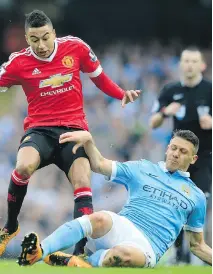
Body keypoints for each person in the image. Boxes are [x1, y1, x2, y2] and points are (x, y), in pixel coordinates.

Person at [0, 10, 140, 256]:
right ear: (26, 38)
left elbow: (99, 78)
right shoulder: (18, 62)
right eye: (34, 40)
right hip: (39, 129)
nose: (41, 45)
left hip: (74, 129)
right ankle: (10, 226)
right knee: (22, 168)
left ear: (54, 33)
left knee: (82, 182)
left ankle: (80, 250)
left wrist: (121, 93)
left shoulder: (76, 48)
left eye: (45, 37)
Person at [17, 129, 212, 268]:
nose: (176, 154)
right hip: (124, 224)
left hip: (148, 246)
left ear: (193, 159)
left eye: (183, 151)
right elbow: (100, 164)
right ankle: (39, 251)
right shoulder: (143, 168)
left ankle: (80, 261)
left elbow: (197, 245)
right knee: (100, 217)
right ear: (167, 148)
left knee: (121, 256)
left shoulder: (196, 196)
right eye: (174, 148)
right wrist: (88, 141)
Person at [149, 46, 212, 263]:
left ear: (202, 65)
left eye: (194, 61)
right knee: (175, 203)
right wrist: (166, 113)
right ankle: (179, 254)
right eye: (186, 61)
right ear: (180, 64)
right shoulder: (170, 90)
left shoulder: (210, 90)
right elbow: (153, 122)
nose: (189, 65)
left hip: (204, 157)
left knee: (200, 202)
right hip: (177, 158)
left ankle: (200, 251)